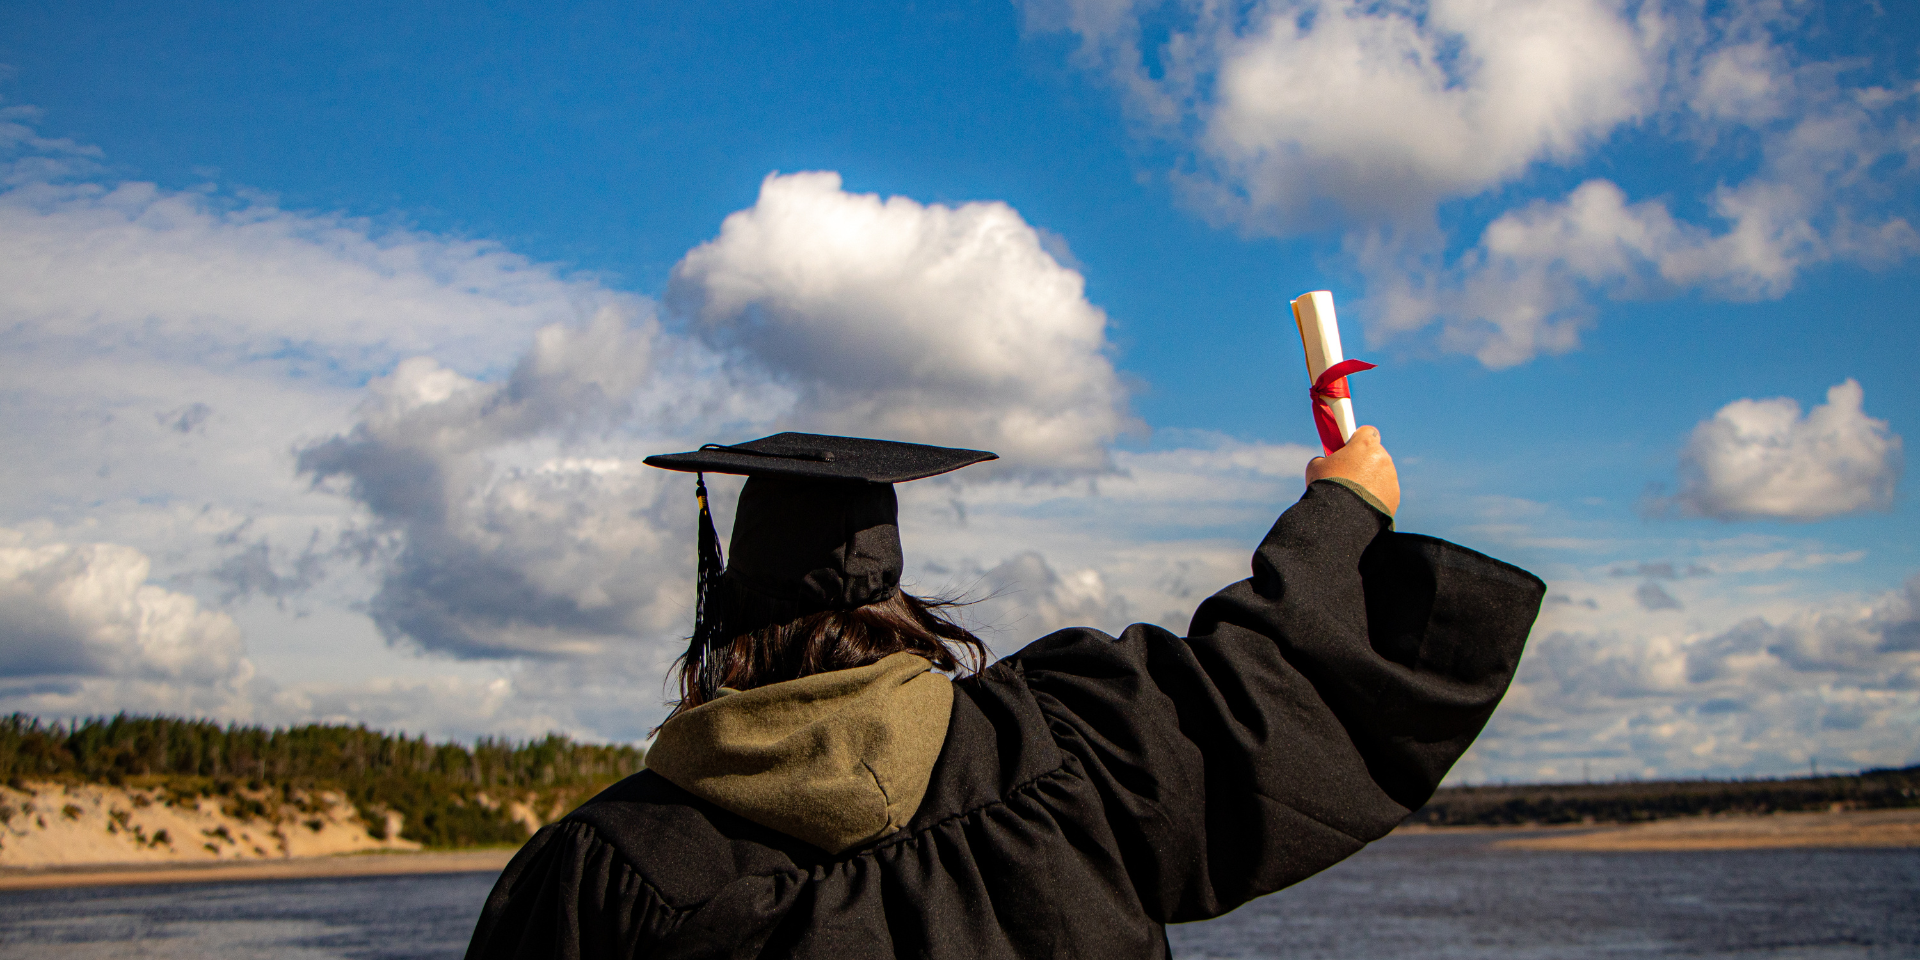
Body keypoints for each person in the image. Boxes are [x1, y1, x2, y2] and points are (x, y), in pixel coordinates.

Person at [465, 429, 1544, 960]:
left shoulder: (600, 872)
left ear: (726, 611)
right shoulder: (1070, 747)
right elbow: (1270, 691)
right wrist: (1342, 515)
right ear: (897, 600)